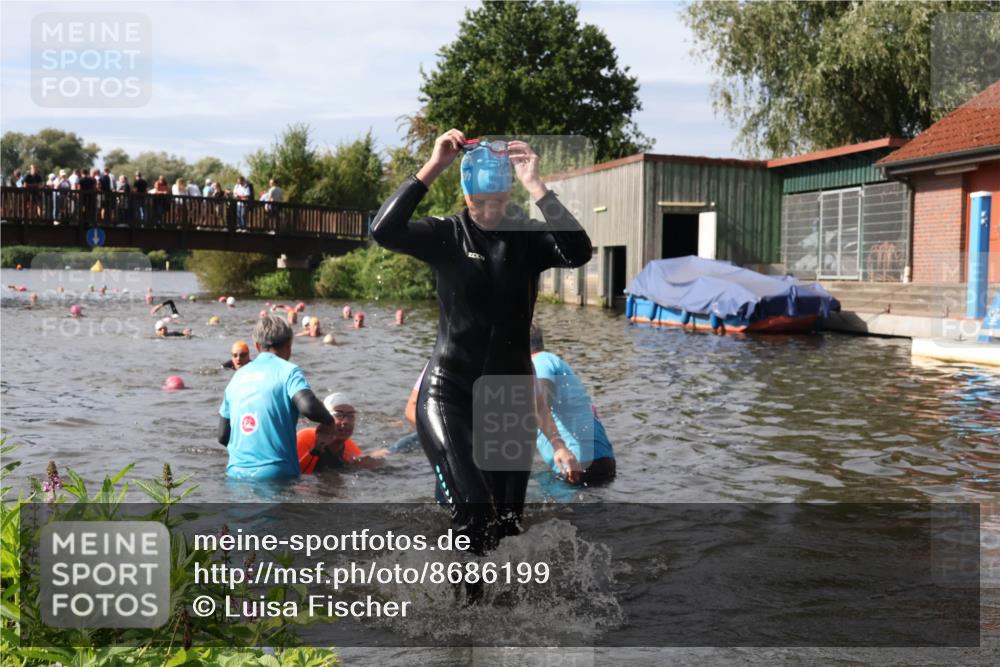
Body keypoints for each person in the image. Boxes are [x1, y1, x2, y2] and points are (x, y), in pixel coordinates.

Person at [370, 129, 592, 555]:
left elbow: (578, 251)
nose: (490, 211)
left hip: (507, 399)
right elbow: (385, 230)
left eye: (500, 202)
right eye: (480, 203)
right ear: (465, 197)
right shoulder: (446, 235)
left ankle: (495, 611)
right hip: (449, 392)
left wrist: (535, 184)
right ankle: (458, 618)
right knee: (473, 513)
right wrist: (434, 165)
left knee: (506, 527)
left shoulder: (527, 238)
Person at [217, 315, 336, 480]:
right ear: (289, 345)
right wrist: (330, 422)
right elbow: (308, 406)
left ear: (257, 346)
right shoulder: (288, 371)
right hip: (276, 475)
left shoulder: (236, 377)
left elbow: (223, 436)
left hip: (235, 474)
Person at [529, 322, 615, 486]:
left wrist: (558, 446)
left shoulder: (539, 362)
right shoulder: (554, 362)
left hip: (574, 465)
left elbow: (540, 404)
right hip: (601, 461)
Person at [298, 393, 388, 473]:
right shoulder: (304, 439)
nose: (346, 421)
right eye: (339, 415)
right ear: (324, 418)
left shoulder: (349, 447)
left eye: (351, 416)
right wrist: (315, 451)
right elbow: (292, 475)